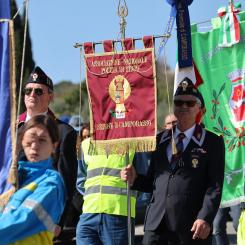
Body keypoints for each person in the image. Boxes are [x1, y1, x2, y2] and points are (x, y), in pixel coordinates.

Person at [121, 77, 225, 245]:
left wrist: (205, 217)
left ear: (200, 109)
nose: (183, 106)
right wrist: (135, 179)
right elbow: (153, 182)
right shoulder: (159, 140)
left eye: (190, 103)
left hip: (191, 226)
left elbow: (215, 186)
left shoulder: (212, 141)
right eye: (178, 102)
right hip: (156, 225)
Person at [17, 67, 78, 236]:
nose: (32, 95)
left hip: (43, 216)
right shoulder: (11, 129)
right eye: (28, 91)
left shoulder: (64, 132)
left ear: (50, 97)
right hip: (11, 212)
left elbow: (67, 181)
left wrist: (58, 221)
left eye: (38, 91)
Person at [0, 115, 66, 245]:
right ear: (22, 141)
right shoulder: (10, 177)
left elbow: (23, 219)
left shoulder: (52, 182)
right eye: (30, 140)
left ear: (54, 145)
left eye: (42, 140)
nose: (34, 146)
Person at [76, 137, 136, 245]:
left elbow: (144, 181)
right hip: (89, 213)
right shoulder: (85, 144)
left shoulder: (133, 143)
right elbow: (81, 180)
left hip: (118, 215)